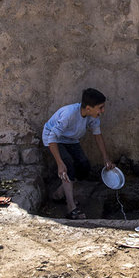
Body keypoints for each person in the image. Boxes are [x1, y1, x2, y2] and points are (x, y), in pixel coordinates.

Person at [42, 88, 114, 219]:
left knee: (84, 166)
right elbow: (52, 137)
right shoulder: (69, 114)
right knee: (67, 164)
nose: (102, 111)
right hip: (53, 139)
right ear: (88, 108)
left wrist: (106, 158)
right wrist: (59, 163)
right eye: (100, 108)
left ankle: (58, 194)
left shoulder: (93, 116)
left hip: (71, 140)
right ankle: (71, 207)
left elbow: (97, 135)